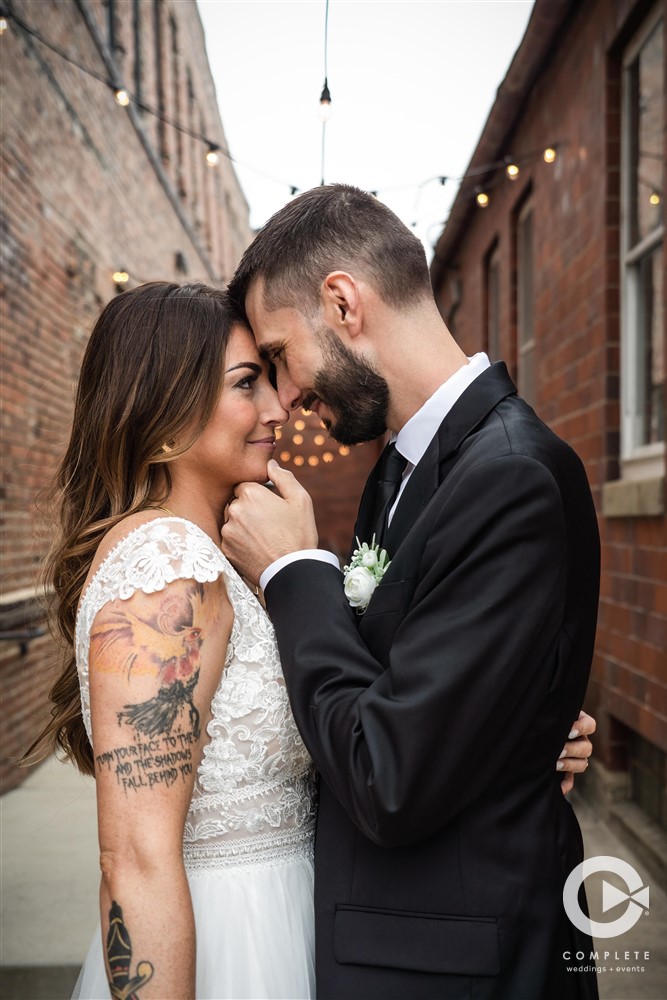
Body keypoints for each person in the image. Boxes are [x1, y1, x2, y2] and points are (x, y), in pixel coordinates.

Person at [221, 184, 601, 1000]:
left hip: (454, 966)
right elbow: (425, 676)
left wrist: (295, 574)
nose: (286, 401)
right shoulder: (403, 468)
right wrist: (518, 724)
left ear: (343, 302)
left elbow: (389, 777)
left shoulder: (508, 476)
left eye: (282, 358)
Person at [26, 282, 317, 1000]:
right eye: (247, 384)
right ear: (162, 413)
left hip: (281, 911)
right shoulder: (167, 568)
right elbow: (135, 857)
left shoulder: (212, 557)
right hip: (230, 941)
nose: (278, 410)